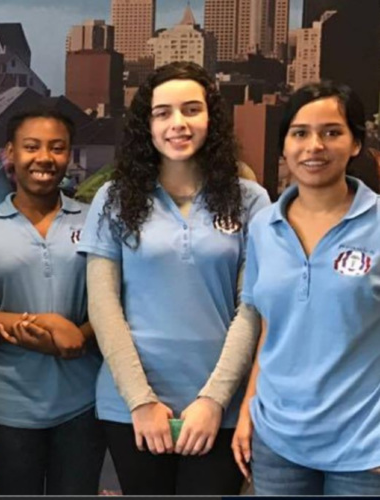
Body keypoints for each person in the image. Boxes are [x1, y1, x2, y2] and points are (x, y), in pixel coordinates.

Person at [77, 61, 269, 495]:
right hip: (132, 407)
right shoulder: (115, 197)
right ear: (146, 124)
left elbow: (252, 307)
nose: (177, 124)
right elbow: (103, 305)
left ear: (211, 119)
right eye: (162, 112)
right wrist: (141, 401)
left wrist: (214, 400)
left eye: (191, 110)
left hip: (221, 408)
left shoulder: (250, 199)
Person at [226, 81, 380, 495]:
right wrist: (248, 412)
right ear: (284, 146)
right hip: (277, 440)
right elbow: (270, 330)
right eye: (300, 133)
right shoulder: (264, 227)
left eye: (332, 132)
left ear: (355, 144)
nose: (315, 146)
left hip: (365, 448)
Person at [0, 109, 105, 495]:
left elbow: (116, 305)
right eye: (31, 147)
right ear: (10, 152)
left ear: (69, 155)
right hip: (7, 411)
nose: (44, 158)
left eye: (57, 148)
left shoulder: (95, 222)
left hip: (82, 408)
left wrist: (78, 336)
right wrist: (37, 327)